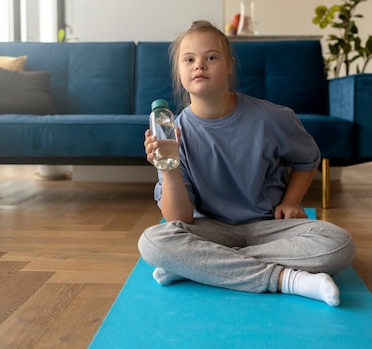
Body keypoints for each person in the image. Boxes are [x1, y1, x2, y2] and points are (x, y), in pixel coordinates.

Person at [138, 20, 355, 306]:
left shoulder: (272, 118)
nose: (199, 65)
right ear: (179, 72)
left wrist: (291, 200)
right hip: (211, 230)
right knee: (152, 241)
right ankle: (289, 281)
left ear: (229, 65)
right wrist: (169, 167)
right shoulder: (172, 133)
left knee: (339, 244)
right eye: (189, 59)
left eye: (211, 57)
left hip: (269, 228)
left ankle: (199, 268)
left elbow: (308, 159)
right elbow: (180, 219)